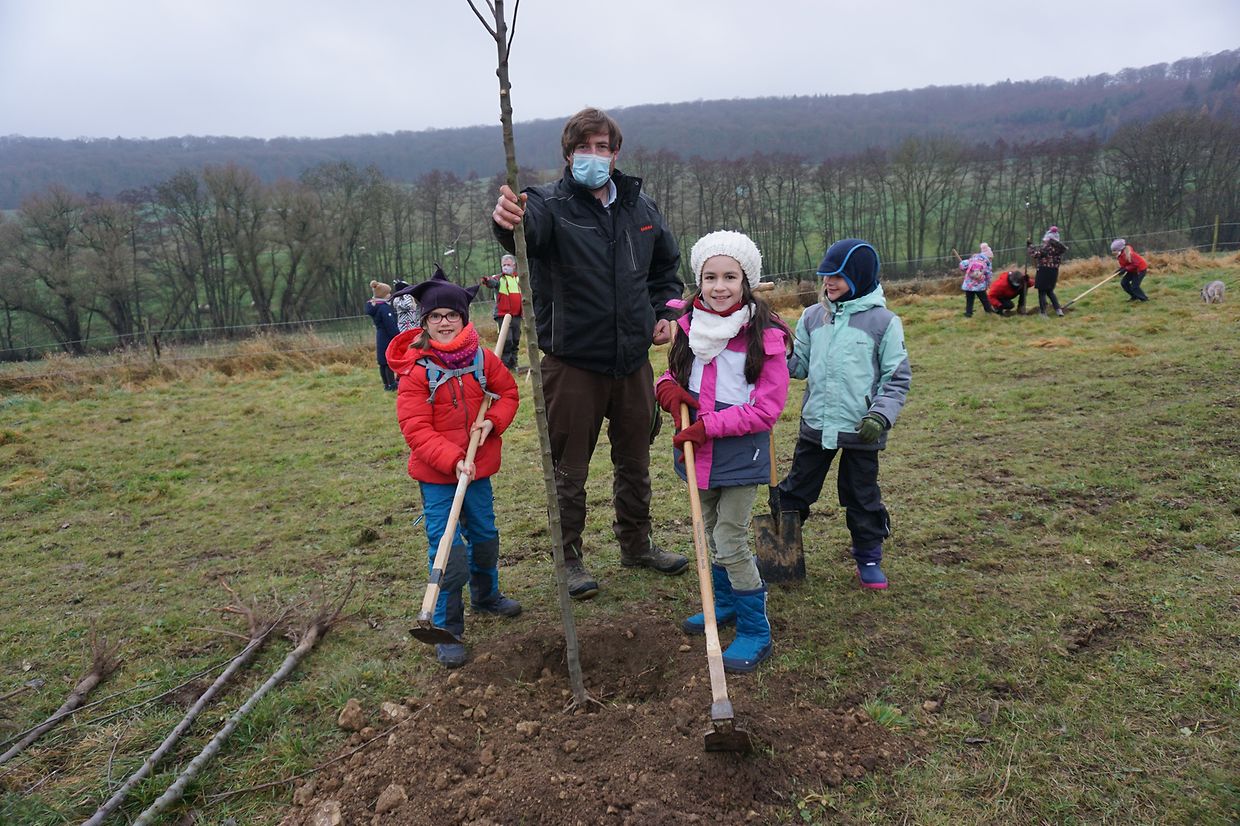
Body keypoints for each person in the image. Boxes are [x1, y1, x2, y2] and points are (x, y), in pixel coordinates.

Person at [492, 106, 688, 599]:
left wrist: (665, 312)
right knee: (568, 468)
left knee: (635, 459)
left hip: (632, 361)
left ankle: (637, 544)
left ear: (616, 153)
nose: (594, 156)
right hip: (572, 363)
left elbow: (665, 272)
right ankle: (569, 560)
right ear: (568, 154)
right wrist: (507, 222)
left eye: (603, 147)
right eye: (584, 147)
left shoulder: (641, 209)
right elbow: (523, 231)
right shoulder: (547, 205)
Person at [655, 231, 790, 673]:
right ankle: (727, 603)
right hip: (698, 455)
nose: (719, 286)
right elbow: (673, 375)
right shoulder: (689, 326)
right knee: (711, 531)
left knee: (730, 541)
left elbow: (766, 410)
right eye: (710, 277)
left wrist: (707, 426)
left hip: (739, 457)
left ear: (746, 281)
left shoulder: (764, 336)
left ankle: (755, 629)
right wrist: (667, 390)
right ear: (699, 280)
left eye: (730, 277)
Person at [386, 267, 521, 668]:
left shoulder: (482, 358)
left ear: (463, 318)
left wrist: (492, 422)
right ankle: (448, 627)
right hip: (438, 476)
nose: (444, 323)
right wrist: (453, 459)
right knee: (449, 549)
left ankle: (486, 596)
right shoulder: (417, 370)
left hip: (477, 469)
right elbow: (415, 429)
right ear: (425, 322)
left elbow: (508, 394)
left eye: (451, 315)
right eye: (435, 316)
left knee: (485, 536)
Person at [777, 239, 911, 590]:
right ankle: (781, 554)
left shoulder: (884, 322)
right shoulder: (812, 316)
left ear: (858, 276)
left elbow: (896, 379)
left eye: (837, 276)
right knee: (794, 491)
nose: (828, 282)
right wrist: (777, 351)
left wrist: (879, 416)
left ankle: (869, 558)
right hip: (816, 426)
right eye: (825, 275)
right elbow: (799, 366)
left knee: (861, 496)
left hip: (861, 429)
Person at [479, 254, 523, 370]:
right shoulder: (499, 278)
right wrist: (486, 280)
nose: (506, 267)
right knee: (506, 341)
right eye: (504, 265)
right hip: (502, 315)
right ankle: (504, 366)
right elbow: (491, 282)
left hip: (517, 315)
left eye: (508, 265)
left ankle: (514, 364)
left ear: (514, 266)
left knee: (515, 340)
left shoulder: (518, 279)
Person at [365, 280, 400, 391]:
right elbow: (390, 325)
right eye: (388, 293)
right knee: (388, 361)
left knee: (382, 362)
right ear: (383, 295)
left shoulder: (375, 306)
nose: (390, 295)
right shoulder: (384, 308)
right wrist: (398, 336)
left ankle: (386, 385)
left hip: (380, 336)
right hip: (387, 337)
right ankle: (392, 384)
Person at [1027, 226, 1068, 317]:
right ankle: (1058, 310)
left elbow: (1035, 254)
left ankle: (1043, 313)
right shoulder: (1058, 248)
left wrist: (1030, 246)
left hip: (1044, 271)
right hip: (1054, 271)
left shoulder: (1047, 247)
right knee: (1050, 291)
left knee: (1042, 292)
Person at [959, 242, 995, 317]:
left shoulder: (972, 259)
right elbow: (988, 275)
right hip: (979, 285)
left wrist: (964, 267)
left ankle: (968, 313)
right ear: (988, 257)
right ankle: (989, 311)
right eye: (991, 258)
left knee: (969, 299)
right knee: (984, 299)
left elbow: (962, 266)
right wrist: (988, 283)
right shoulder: (987, 263)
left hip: (968, 285)